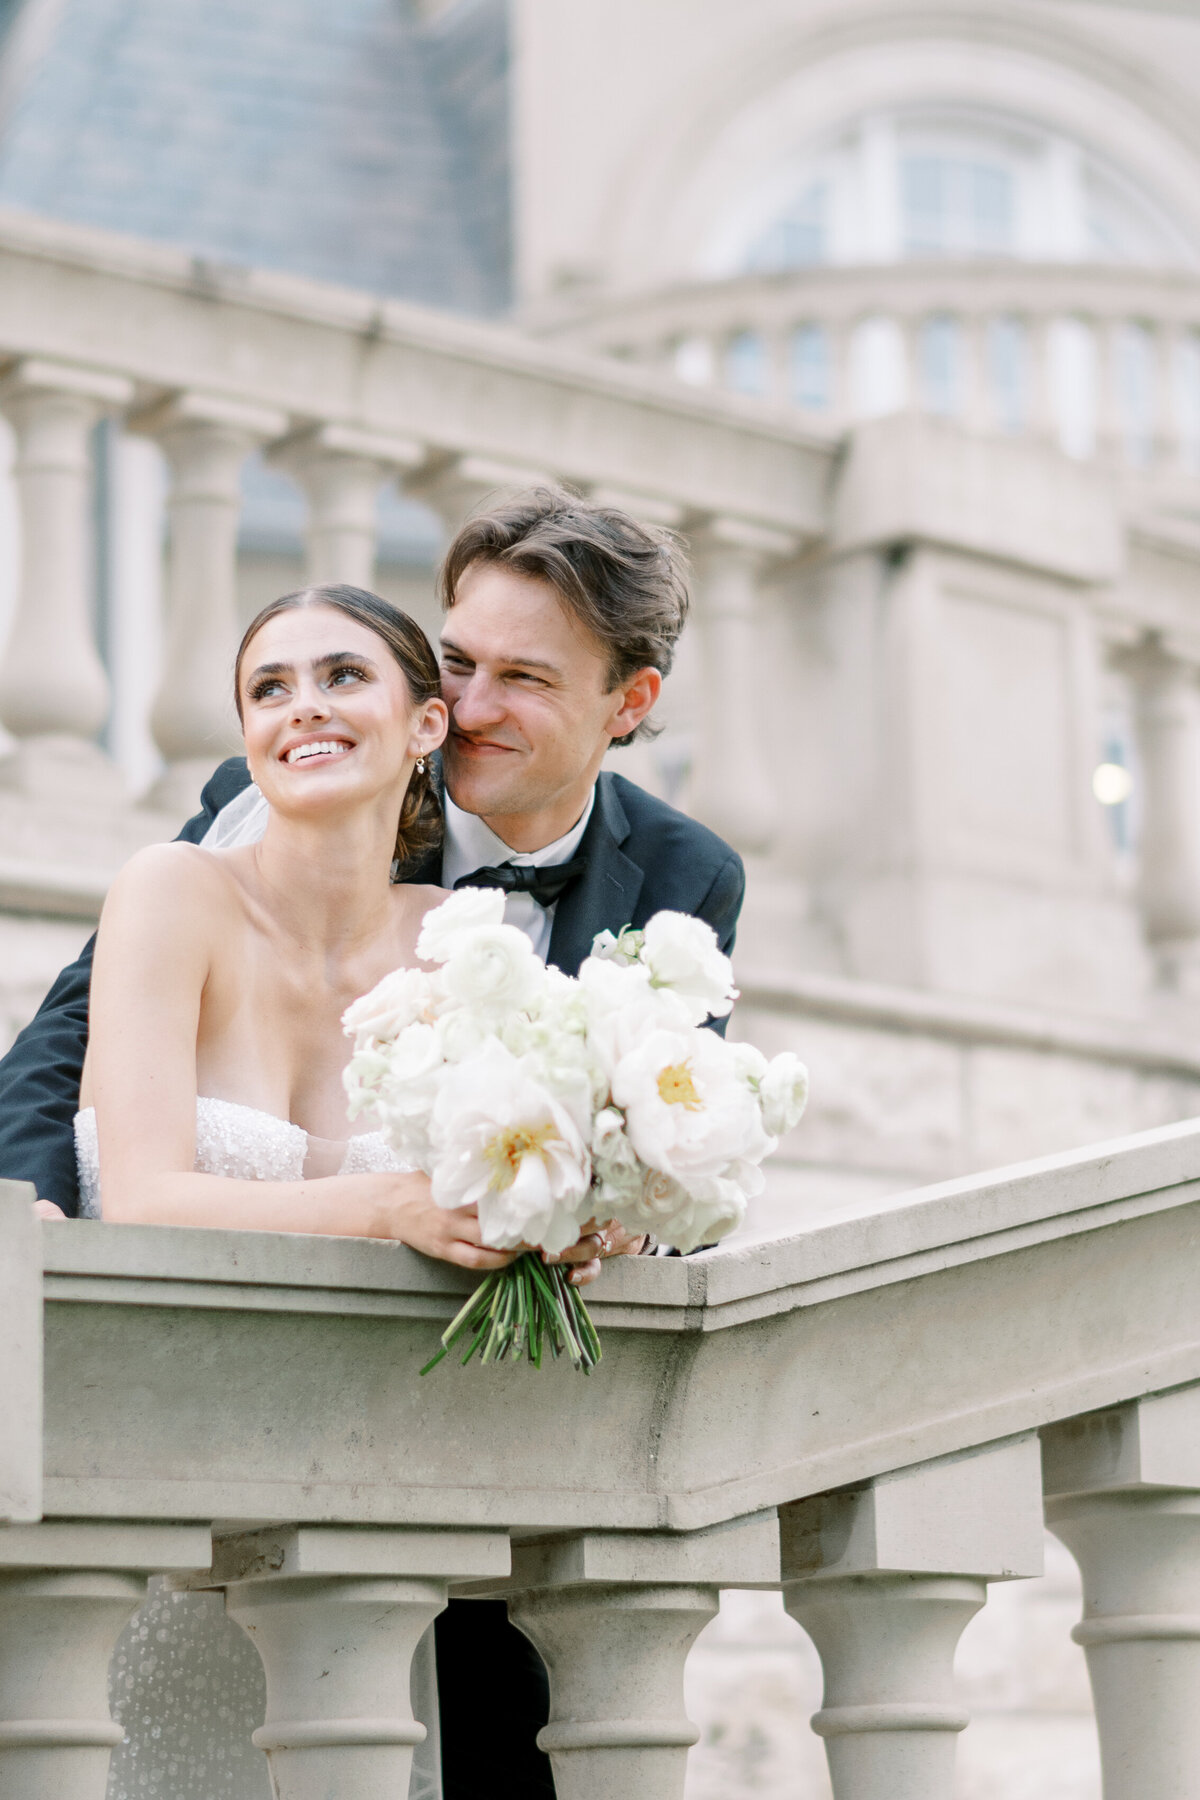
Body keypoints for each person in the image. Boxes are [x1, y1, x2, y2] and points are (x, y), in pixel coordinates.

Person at [0, 488, 746, 1799]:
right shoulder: (239, 825)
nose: (473, 706)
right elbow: (73, 1041)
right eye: (458, 663)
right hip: (184, 1416)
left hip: (452, 1423)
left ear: (627, 705)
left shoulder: (675, 878)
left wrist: (617, 1199)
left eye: (525, 679)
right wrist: (26, 1208)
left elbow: (640, 1111)